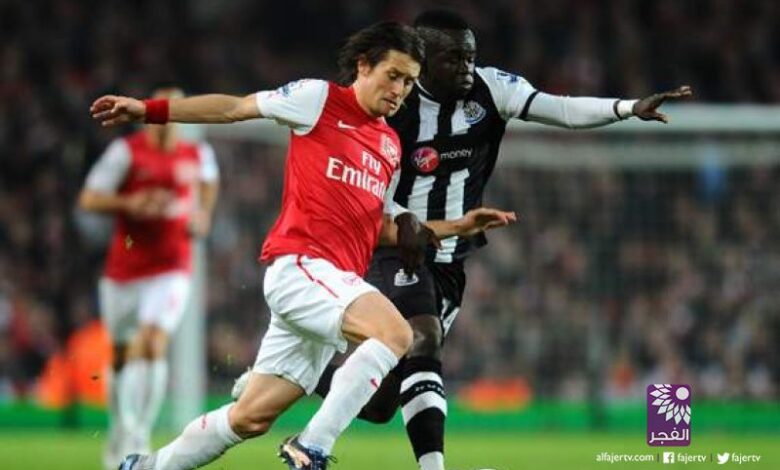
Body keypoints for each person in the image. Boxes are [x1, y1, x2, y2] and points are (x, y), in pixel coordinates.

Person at [92, 22, 513, 470]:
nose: (399, 91)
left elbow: (380, 227)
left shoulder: (389, 145)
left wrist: (457, 226)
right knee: (397, 334)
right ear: (363, 65)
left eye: (409, 82)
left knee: (250, 417)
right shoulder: (318, 100)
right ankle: (312, 446)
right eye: (392, 75)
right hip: (302, 267)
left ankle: (144, 466)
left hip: (330, 287)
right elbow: (235, 108)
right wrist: (148, 110)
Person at [309, 10, 693, 470]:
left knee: (380, 404)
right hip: (395, 247)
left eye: (470, 57)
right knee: (422, 336)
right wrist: (400, 217)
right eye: (454, 59)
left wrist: (627, 108)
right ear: (424, 61)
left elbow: (562, 109)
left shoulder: (492, 89)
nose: (467, 69)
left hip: (450, 258)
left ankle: (302, 375)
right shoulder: (395, 104)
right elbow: (365, 179)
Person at [79, 85, 220, 469]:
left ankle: (137, 434)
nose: (167, 123)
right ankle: (120, 428)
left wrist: (203, 215)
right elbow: (89, 198)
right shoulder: (125, 152)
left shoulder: (198, 154)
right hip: (124, 270)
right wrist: (128, 202)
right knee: (121, 354)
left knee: (153, 342)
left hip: (172, 266)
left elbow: (209, 183)